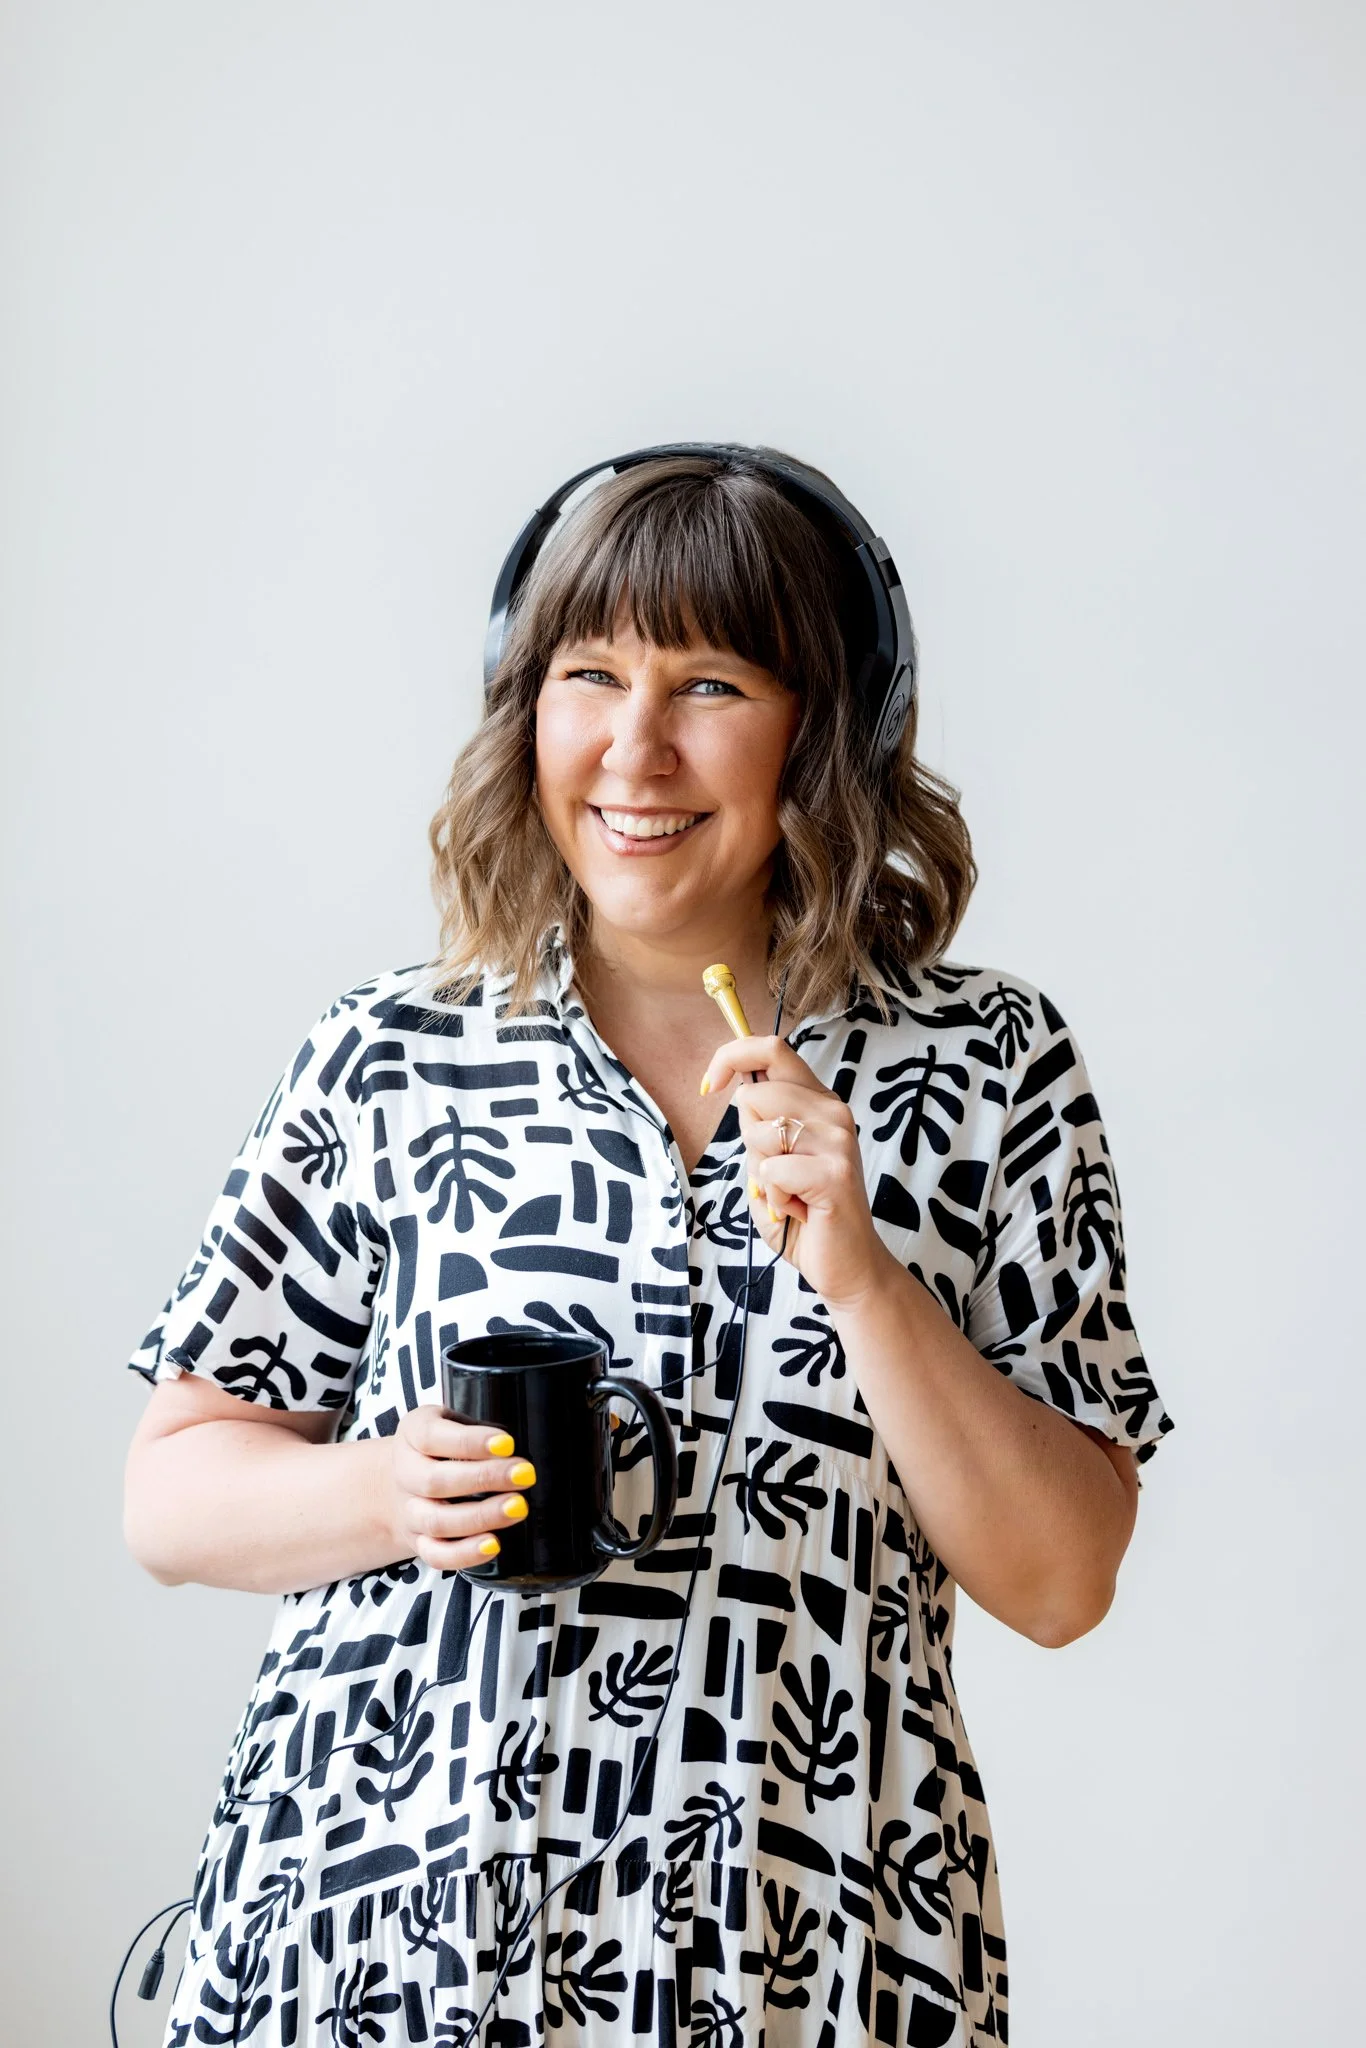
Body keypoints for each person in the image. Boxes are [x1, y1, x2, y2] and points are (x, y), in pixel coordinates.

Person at [123, 449, 1172, 2048]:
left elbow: (1060, 1579)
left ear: (825, 727)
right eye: (588, 675)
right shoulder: (396, 1054)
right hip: (386, 1949)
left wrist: (864, 1282)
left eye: (709, 684)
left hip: (806, 1949)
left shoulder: (987, 1070)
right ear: (520, 703)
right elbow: (170, 1493)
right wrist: (386, 1491)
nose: (633, 747)